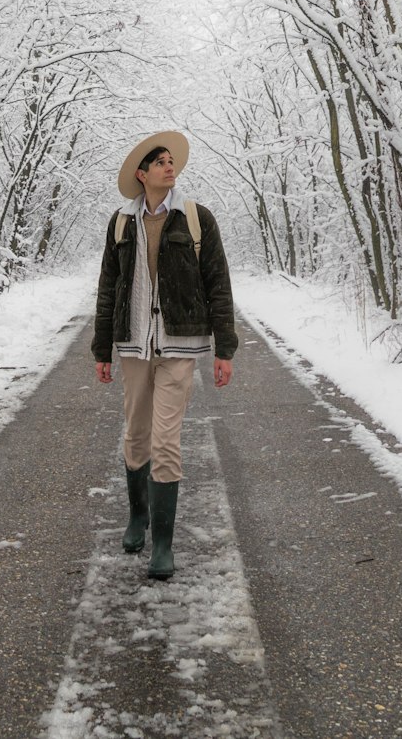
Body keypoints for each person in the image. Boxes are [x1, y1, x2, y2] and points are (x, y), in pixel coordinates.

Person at [92, 130, 238, 580]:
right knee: (136, 437)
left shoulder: (196, 219)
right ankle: (138, 514)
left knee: (166, 440)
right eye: (158, 161)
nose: (168, 165)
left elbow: (218, 283)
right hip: (134, 345)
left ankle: (162, 545)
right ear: (142, 174)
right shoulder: (121, 223)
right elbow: (106, 290)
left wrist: (224, 348)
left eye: (170, 160)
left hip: (180, 346)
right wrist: (102, 349)